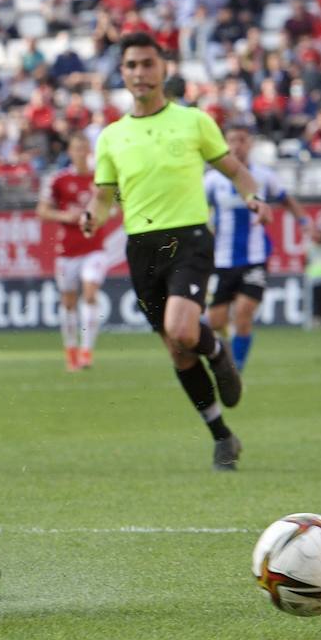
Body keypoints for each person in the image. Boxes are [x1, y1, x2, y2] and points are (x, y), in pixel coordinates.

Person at [82, 32, 269, 472]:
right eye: (131, 65)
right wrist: (92, 215)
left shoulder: (193, 121)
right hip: (142, 248)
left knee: (184, 331)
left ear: (164, 68)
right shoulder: (111, 136)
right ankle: (222, 436)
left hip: (188, 238)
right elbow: (104, 196)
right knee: (179, 351)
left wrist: (253, 197)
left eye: (148, 64)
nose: (140, 73)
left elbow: (237, 170)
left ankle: (220, 354)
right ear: (122, 72)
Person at [204, 125, 313, 371]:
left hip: (255, 258)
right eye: (231, 140)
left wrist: (304, 223)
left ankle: (236, 370)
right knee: (216, 320)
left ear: (250, 143)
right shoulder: (211, 180)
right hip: (222, 260)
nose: (236, 145)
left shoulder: (264, 176)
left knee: (243, 314)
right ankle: (224, 356)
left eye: (242, 140)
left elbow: (287, 200)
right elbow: (197, 211)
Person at [37, 135, 121, 372]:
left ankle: (87, 351)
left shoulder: (101, 179)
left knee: (91, 293)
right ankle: (71, 349)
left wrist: (100, 215)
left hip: (94, 248)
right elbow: (42, 211)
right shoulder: (59, 179)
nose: (81, 152)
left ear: (90, 151)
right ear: (70, 151)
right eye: (76, 148)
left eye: (84, 148)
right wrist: (65, 216)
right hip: (67, 251)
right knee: (68, 302)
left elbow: (116, 208)